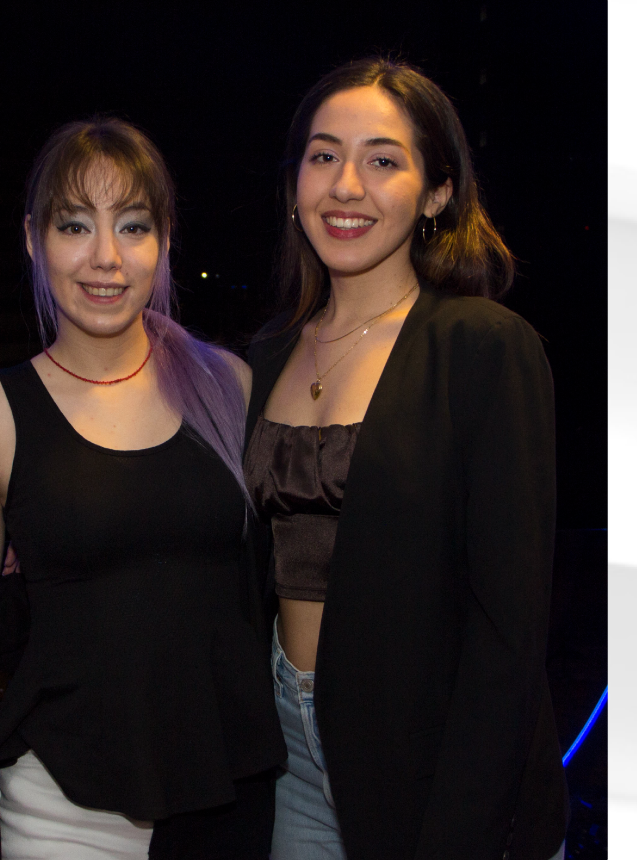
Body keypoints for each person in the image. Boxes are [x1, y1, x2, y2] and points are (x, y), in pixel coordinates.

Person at [243, 58, 568, 859]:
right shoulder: (265, 355)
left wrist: (465, 824)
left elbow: (508, 631)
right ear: (293, 185)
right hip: (283, 753)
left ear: (436, 194)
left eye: (382, 161)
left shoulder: (482, 347)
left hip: (433, 759)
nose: (345, 185)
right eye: (323, 156)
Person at [0, 118, 285, 859]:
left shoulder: (226, 385)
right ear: (33, 239)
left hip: (226, 787)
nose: (105, 257)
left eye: (132, 226)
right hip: (65, 802)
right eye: (74, 225)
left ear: (164, 241)